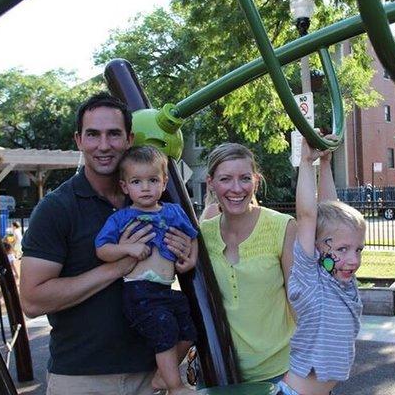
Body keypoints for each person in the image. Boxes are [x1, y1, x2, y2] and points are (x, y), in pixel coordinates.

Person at [19, 92, 193, 395]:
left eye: (113, 134)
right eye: (93, 135)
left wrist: (189, 257)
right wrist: (118, 266)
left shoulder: (151, 198)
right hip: (82, 379)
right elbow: (32, 301)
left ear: (130, 138)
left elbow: (182, 249)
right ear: (78, 140)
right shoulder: (57, 208)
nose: (103, 145)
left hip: (148, 375)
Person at [95, 145, 198, 395]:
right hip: (139, 291)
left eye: (152, 180)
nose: (145, 187)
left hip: (165, 288)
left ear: (163, 183)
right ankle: (175, 386)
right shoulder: (121, 218)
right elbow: (102, 249)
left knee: (189, 330)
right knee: (165, 331)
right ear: (125, 187)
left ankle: (163, 376)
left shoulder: (173, 212)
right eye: (136, 181)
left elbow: (193, 236)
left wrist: (191, 260)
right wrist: (127, 249)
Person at [199, 143, 296, 383]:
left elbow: (299, 301)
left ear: (256, 181)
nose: (236, 188)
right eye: (225, 179)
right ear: (211, 183)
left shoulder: (281, 226)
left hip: (279, 371)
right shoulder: (204, 233)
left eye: (244, 178)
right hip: (220, 370)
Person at [278, 135, 366, 395]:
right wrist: (307, 161)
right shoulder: (310, 281)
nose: (354, 259)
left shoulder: (340, 280)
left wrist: (326, 163)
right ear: (317, 248)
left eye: (358, 249)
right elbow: (308, 216)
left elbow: (331, 211)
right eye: (342, 250)